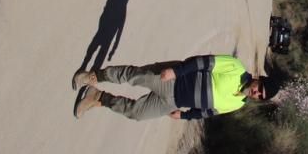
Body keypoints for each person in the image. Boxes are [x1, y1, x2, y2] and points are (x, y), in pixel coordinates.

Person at [72, 54, 276, 121]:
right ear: (258, 79)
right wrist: (176, 72)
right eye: (260, 88)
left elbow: (207, 112)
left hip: (172, 103)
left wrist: (184, 116)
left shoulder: (238, 102)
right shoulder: (236, 67)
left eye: (260, 96)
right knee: (134, 76)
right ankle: (94, 76)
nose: (257, 93)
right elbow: (202, 62)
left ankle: (98, 97)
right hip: (173, 79)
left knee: (137, 114)